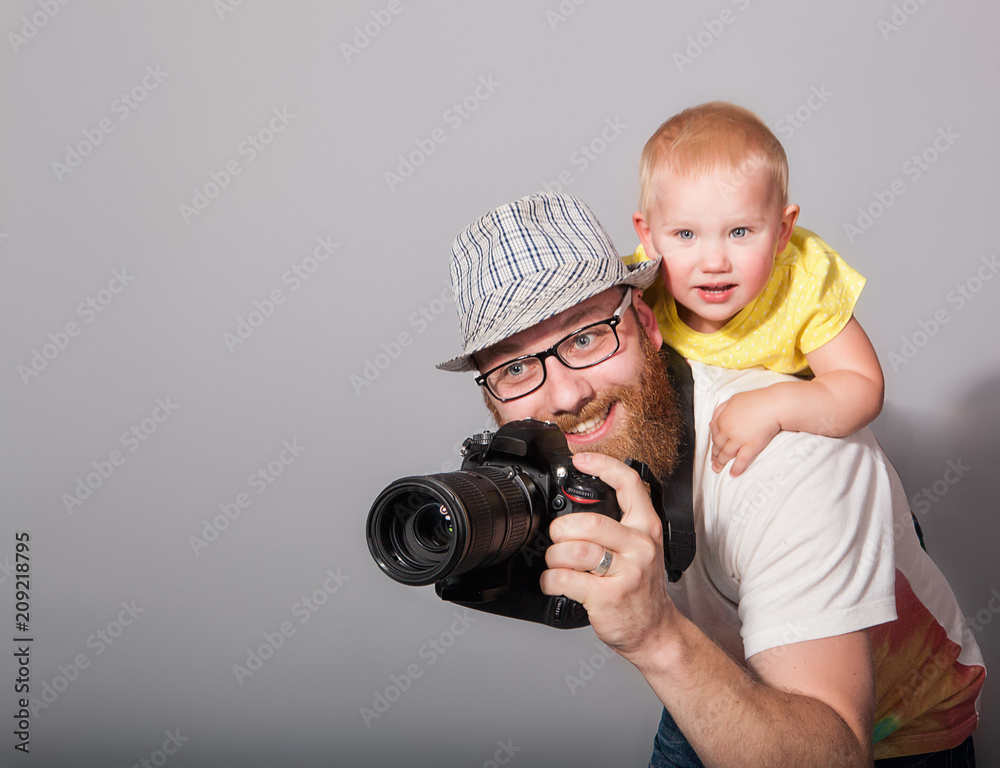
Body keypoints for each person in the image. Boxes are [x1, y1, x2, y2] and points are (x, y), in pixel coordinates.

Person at [437, 191, 984, 766]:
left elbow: (837, 754)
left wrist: (654, 637)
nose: (568, 395)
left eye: (585, 336)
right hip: (718, 666)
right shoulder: (545, 454)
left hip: (891, 729)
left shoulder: (791, 460)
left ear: (646, 325)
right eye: (516, 366)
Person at [627, 102, 884, 477]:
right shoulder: (643, 284)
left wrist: (775, 405)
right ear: (649, 237)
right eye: (686, 234)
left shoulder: (802, 283)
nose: (714, 261)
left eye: (740, 232)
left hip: (802, 474)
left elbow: (862, 386)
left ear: (782, 232)